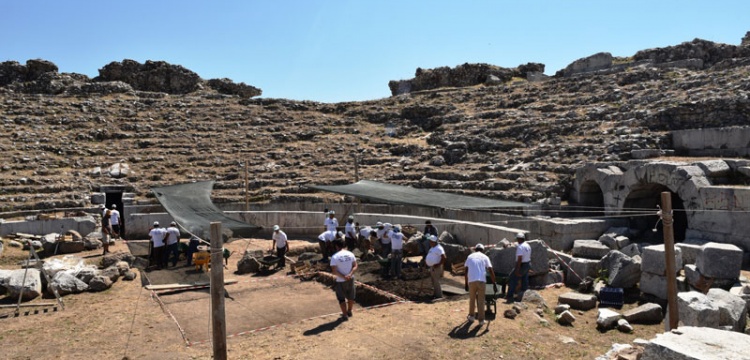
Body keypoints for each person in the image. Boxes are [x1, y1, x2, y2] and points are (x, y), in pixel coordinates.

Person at [464, 243, 496, 326]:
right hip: (481, 281)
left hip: (471, 281)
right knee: (481, 301)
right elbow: (490, 270)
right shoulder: (485, 257)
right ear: (482, 250)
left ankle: (471, 316)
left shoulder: (470, 257)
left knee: (472, 299)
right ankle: (481, 320)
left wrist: (466, 283)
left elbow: (466, 271)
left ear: (475, 249)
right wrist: (494, 283)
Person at [330, 238, 357, 320]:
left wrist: (343, 277)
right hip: (351, 279)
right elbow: (355, 266)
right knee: (351, 296)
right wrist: (350, 274)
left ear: (336, 246)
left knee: (341, 298)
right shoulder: (350, 254)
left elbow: (334, 271)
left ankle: (345, 315)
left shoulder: (335, 257)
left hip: (340, 281)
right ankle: (349, 311)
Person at [506, 232, 531, 303]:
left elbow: (520, 259)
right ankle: (524, 295)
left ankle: (510, 296)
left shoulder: (520, 247)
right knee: (524, 279)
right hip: (527, 264)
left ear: (519, 239)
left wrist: (517, 269)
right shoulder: (527, 245)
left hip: (522, 265)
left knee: (512, 278)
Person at [425, 235, 446, 300]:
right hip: (432, 267)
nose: (429, 242)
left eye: (430, 241)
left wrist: (438, 264)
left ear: (433, 241)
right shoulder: (432, 248)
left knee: (436, 281)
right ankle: (436, 294)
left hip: (436, 267)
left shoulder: (439, 248)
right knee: (433, 281)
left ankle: (439, 296)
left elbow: (444, 257)